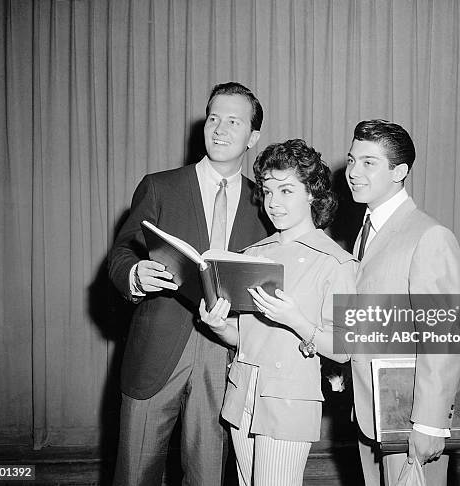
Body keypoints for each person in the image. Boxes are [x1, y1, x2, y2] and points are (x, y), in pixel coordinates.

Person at [108, 82, 269, 485]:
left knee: (207, 474)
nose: (219, 128)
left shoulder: (264, 203)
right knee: (135, 473)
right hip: (157, 350)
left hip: (225, 352)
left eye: (233, 121)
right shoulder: (160, 186)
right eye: (213, 118)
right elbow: (121, 253)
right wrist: (134, 273)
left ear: (253, 137)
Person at [199, 139, 357, 486]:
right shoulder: (252, 254)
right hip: (243, 394)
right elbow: (246, 337)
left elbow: (345, 349)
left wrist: (296, 320)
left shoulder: (336, 264)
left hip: (288, 400)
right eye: (268, 191)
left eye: (286, 191)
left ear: (313, 194)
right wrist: (219, 326)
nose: (273, 203)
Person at [345, 120, 460, 485]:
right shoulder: (365, 232)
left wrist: (429, 422)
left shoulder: (429, 236)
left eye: (368, 162)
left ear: (400, 171)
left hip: (408, 417)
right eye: (351, 160)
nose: (352, 172)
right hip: (368, 411)